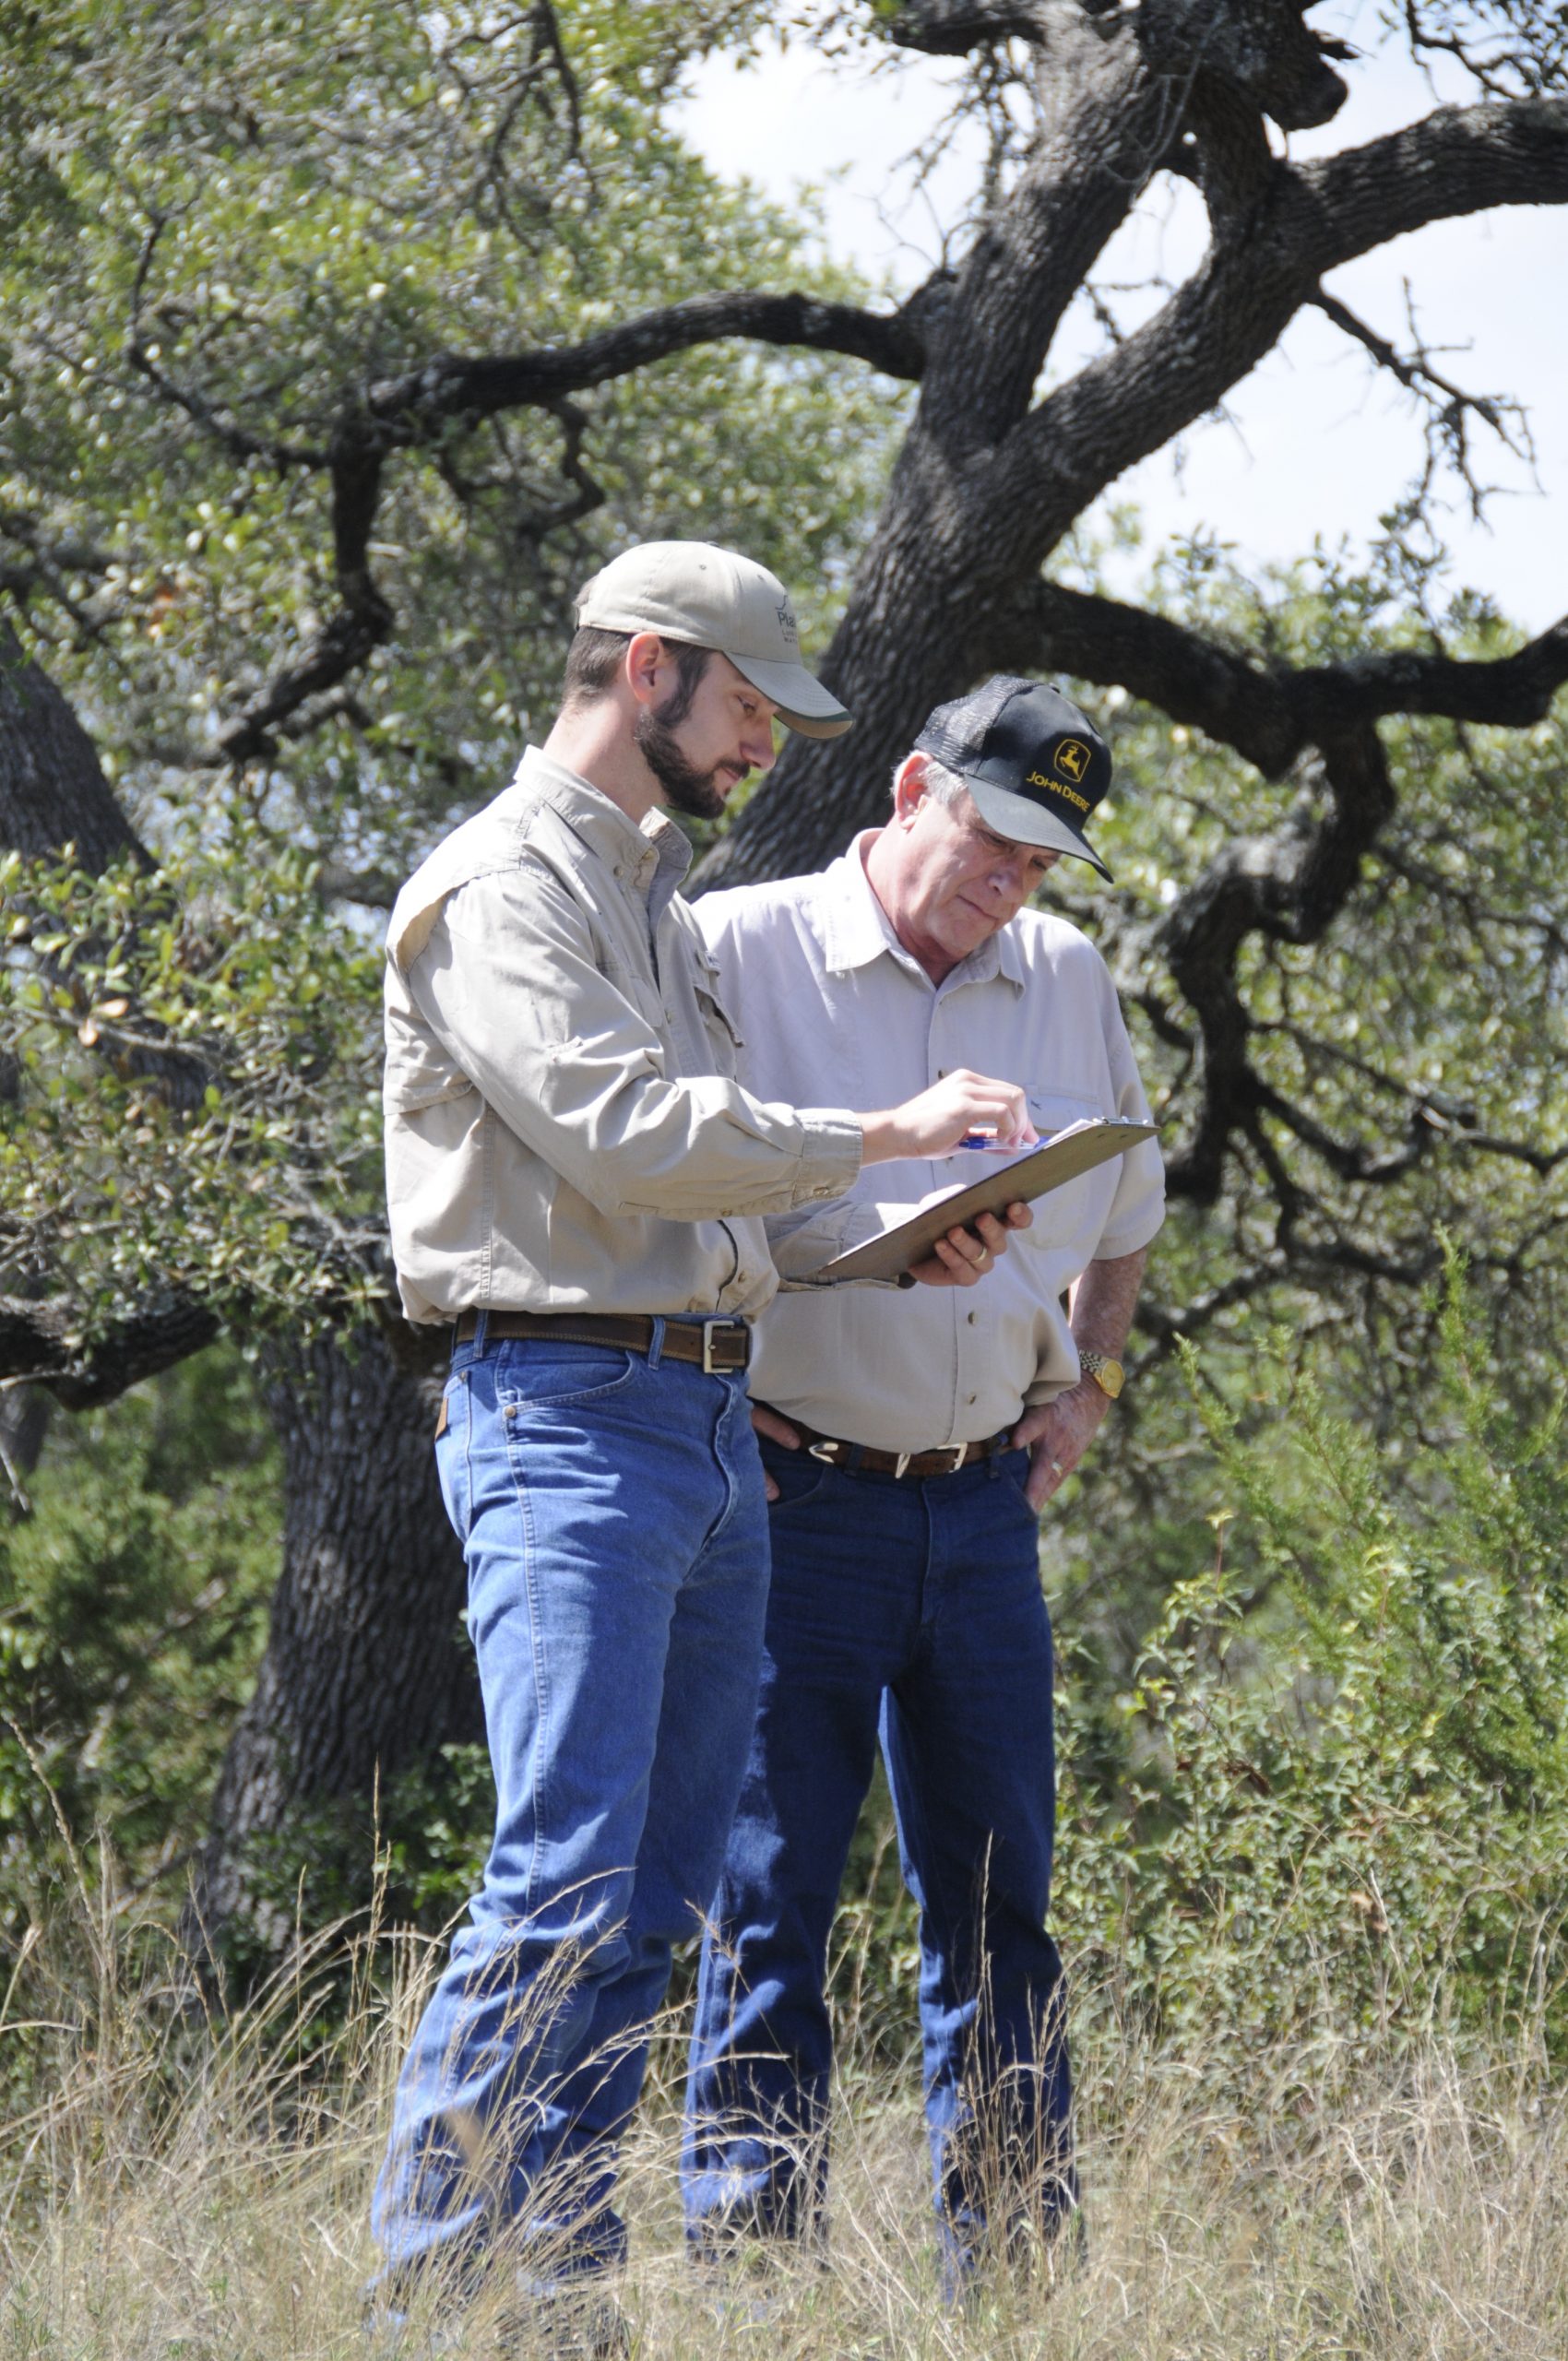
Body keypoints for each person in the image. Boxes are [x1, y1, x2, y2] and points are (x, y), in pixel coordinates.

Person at [372, 544, 1034, 2342]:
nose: (760, 744)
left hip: (707, 1426)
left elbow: (724, 1212)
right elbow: (626, 1139)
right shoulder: (499, 887)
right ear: (650, 669)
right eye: (747, 702)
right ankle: (427, 2305)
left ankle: (559, 2307)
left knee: (654, 1903)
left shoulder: (654, 895)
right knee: (564, 1871)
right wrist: (881, 1129)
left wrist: (891, 1233)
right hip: (567, 1421)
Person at [682, 675, 1166, 2291]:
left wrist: (1088, 1384)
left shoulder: (1070, 975)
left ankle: (1013, 2287)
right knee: (770, 1913)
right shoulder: (737, 946)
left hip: (981, 1511)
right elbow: (655, 1195)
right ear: (909, 788)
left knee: (1000, 1918)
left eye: (1043, 861)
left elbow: (1133, 1201)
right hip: (790, 1493)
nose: (1009, 881)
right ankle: (755, 2286)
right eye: (994, 837)